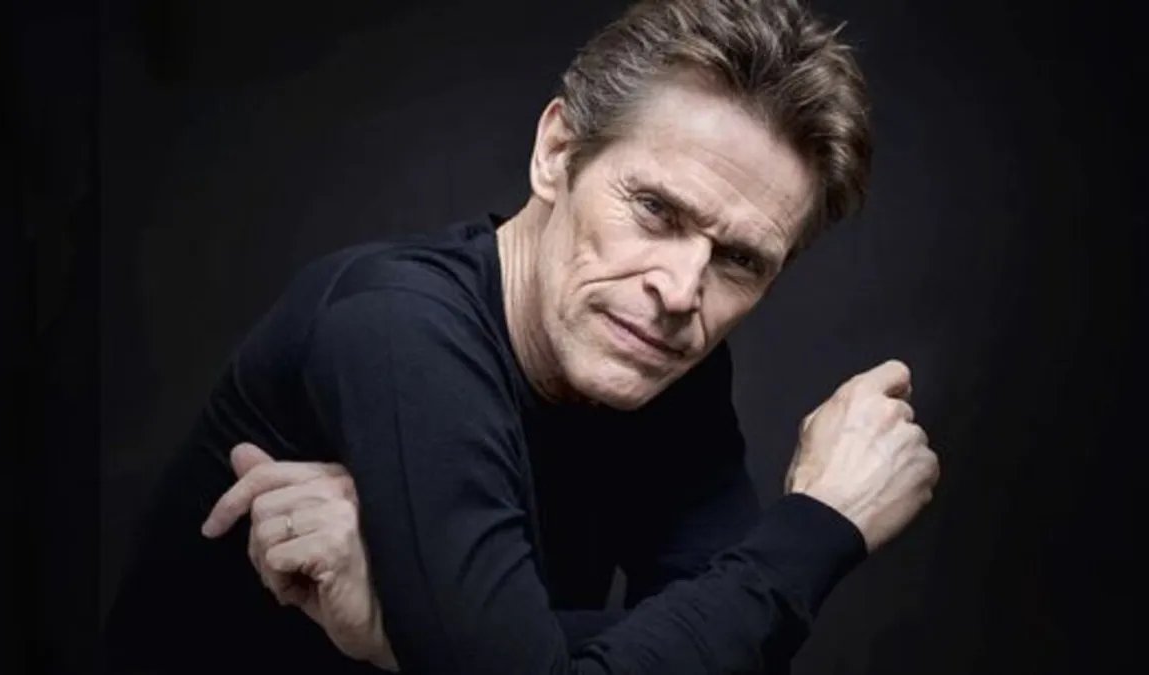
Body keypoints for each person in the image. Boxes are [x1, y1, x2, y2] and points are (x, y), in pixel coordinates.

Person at [102, 0, 939, 672]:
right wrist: (821, 522)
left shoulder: (661, 353)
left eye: (740, 260)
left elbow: (736, 648)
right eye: (656, 209)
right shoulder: (399, 329)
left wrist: (424, 635)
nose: (681, 290)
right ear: (557, 151)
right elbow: (721, 626)